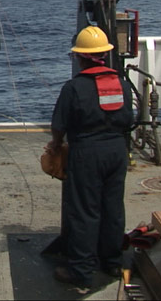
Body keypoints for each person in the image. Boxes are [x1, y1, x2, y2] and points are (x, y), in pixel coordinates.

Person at [48, 26, 134, 289]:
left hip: (87, 153)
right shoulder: (121, 83)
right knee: (112, 208)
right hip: (117, 151)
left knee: (84, 211)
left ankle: (81, 272)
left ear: (81, 57)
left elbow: (59, 125)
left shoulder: (74, 88)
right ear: (106, 55)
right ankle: (112, 262)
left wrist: (56, 146)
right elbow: (129, 119)